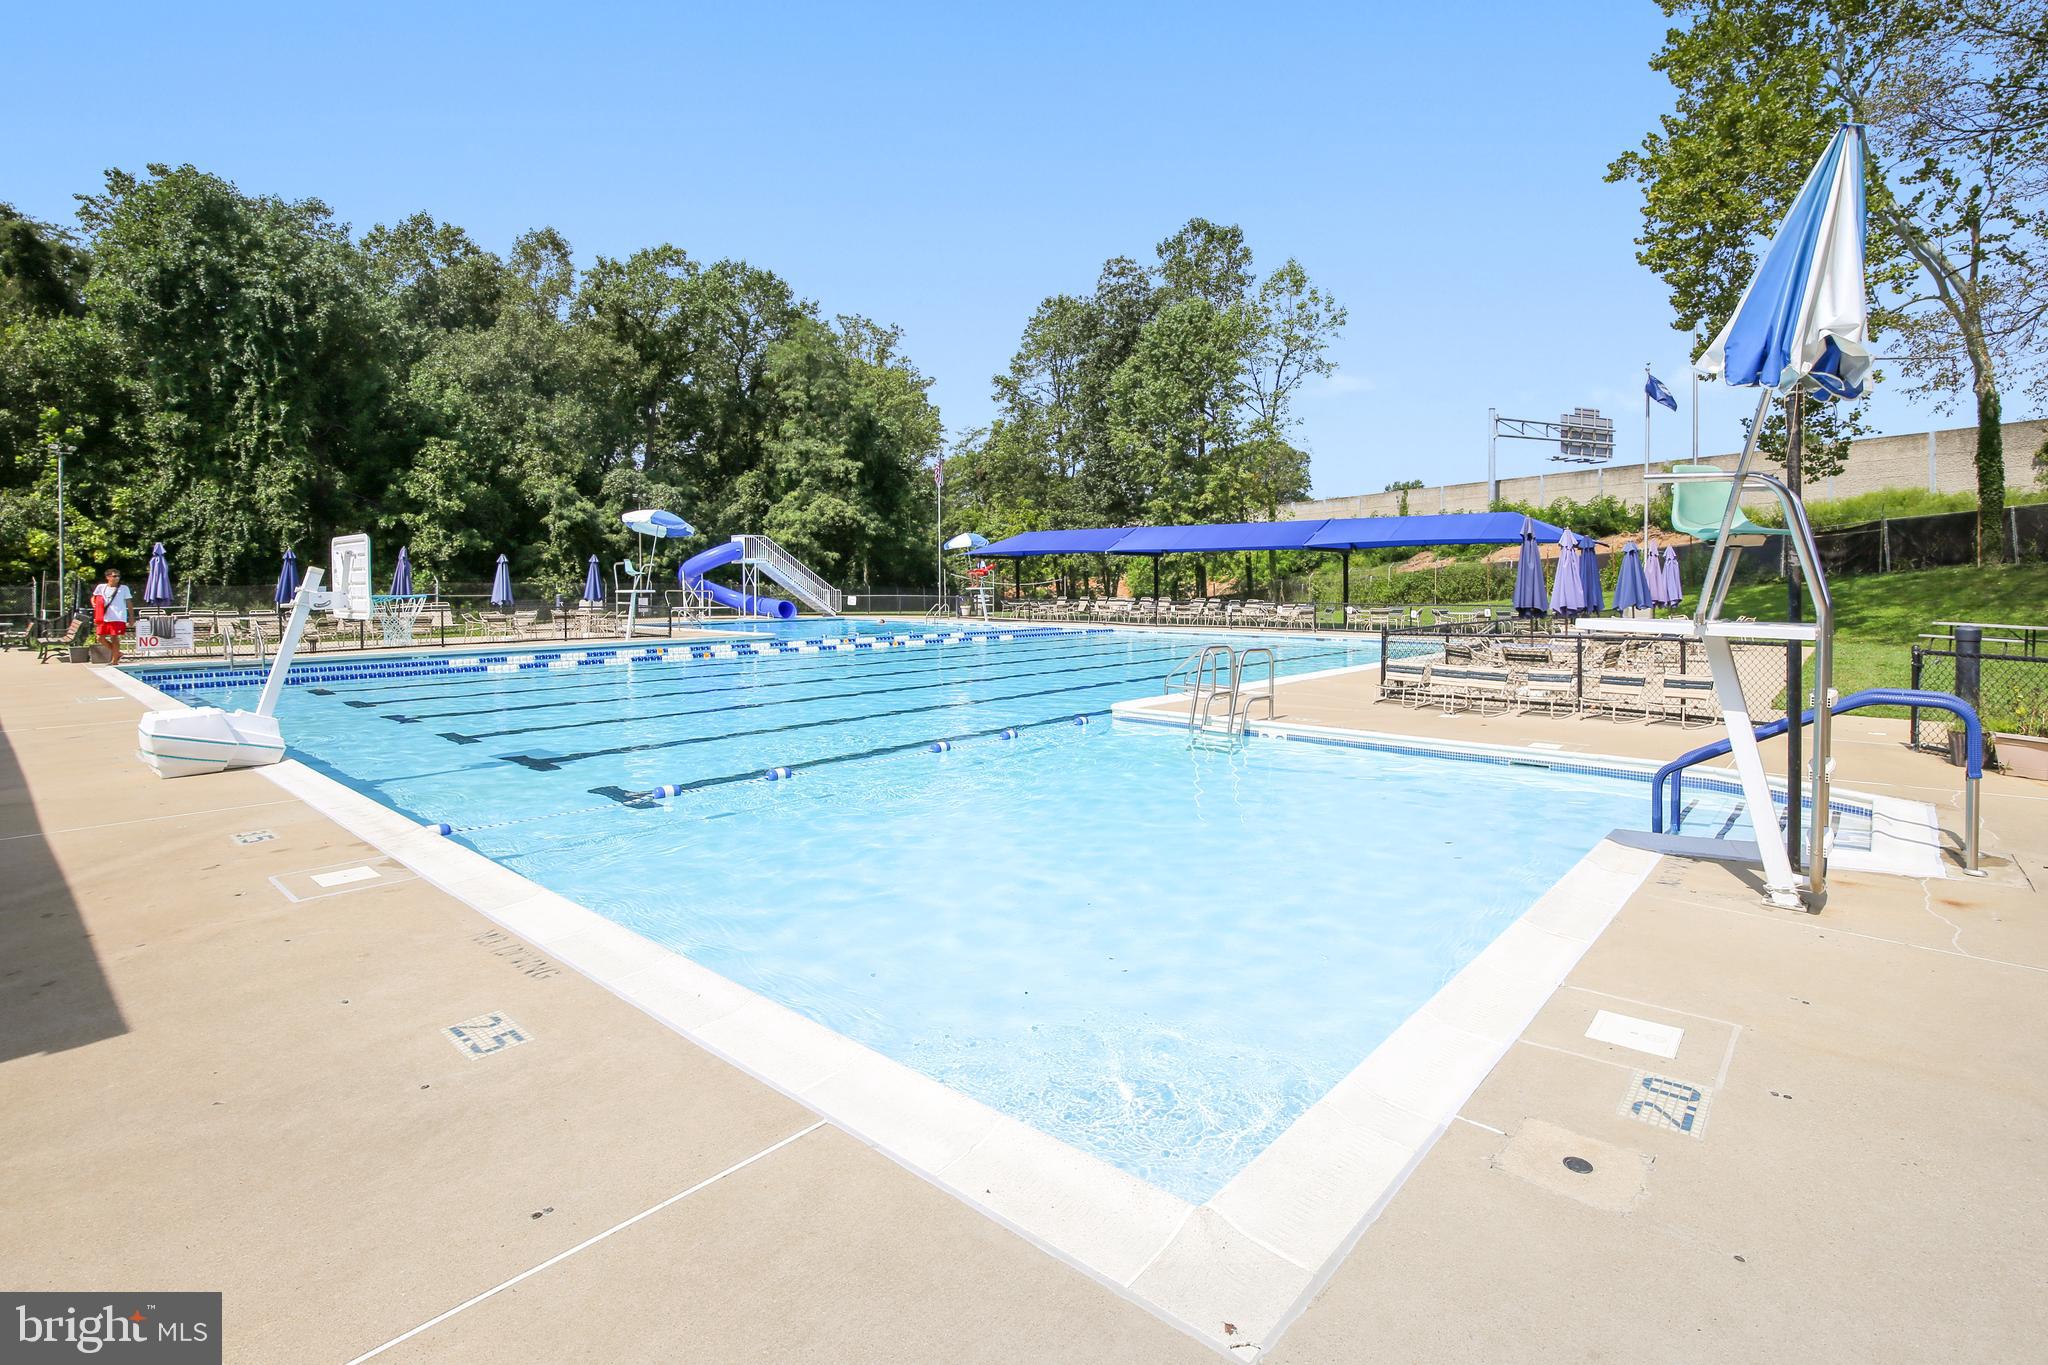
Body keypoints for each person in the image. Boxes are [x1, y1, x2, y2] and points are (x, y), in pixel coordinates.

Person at [91, 567, 132, 664]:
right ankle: (118, 653)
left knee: (114, 637)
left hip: (118, 617)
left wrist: (131, 617)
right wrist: (95, 605)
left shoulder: (124, 588)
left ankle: (114, 660)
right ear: (108, 577)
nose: (117, 578)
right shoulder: (101, 587)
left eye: (118, 576)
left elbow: (129, 603)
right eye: (114, 576)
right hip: (104, 617)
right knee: (100, 638)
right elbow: (94, 598)